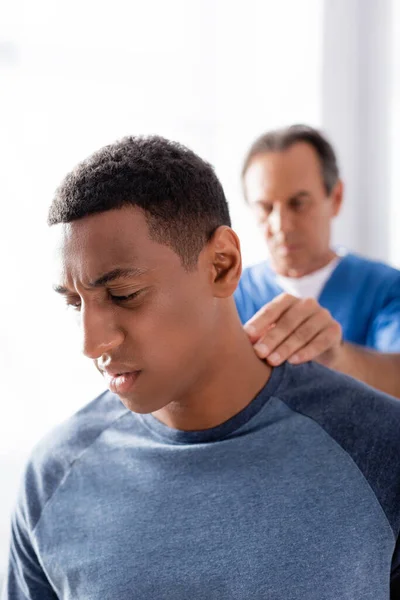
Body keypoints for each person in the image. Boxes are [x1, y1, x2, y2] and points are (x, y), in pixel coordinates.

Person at [3, 136, 400, 600]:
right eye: (75, 303)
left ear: (221, 265)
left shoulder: (383, 451)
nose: (92, 345)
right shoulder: (52, 478)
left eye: (124, 295)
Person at [235, 124, 400, 397]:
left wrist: (337, 359)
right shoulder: (230, 297)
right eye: (265, 208)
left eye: (298, 203)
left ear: (335, 198)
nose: (281, 225)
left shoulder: (385, 289)